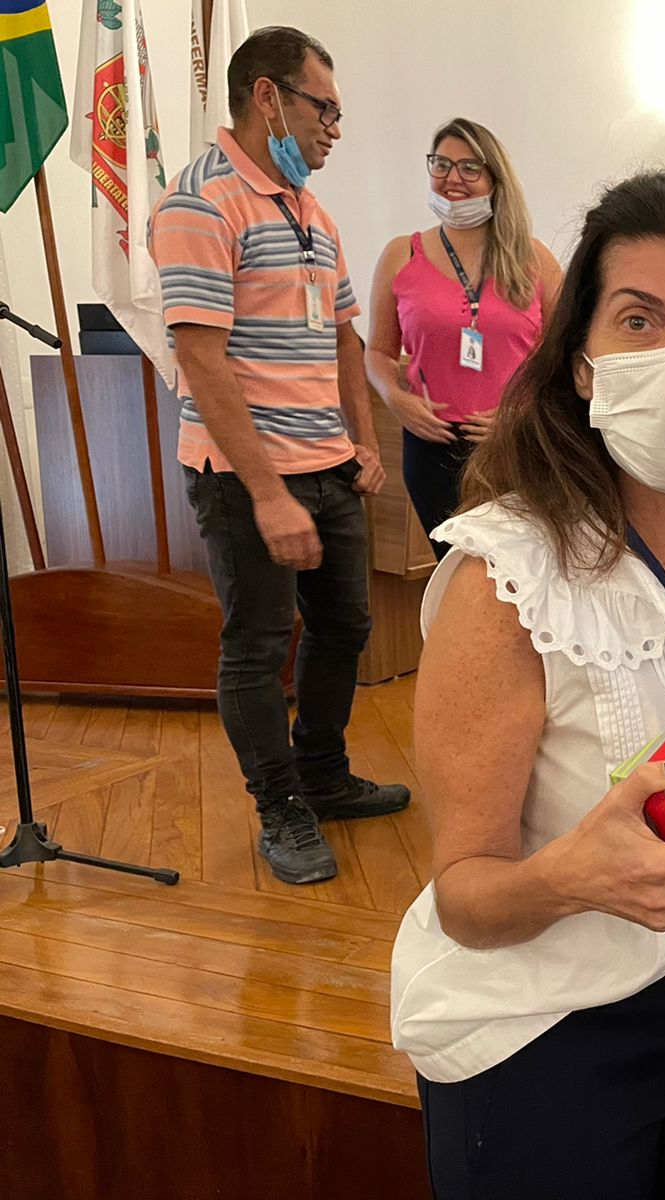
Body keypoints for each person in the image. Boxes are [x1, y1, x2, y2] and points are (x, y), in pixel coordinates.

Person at [390, 172, 665, 1200]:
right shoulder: (509, 574)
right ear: (582, 365)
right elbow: (466, 899)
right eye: (639, 320)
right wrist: (573, 877)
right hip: (551, 1022)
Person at [151, 26, 410, 887]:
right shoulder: (200, 202)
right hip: (244, 479)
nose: (334, 129)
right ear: (268, 97)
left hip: (328, 467)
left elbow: (343, 337)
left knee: (346, 628)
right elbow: (201, 358)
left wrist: (362, 441)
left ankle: (323, 775)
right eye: (323, 109)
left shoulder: (311, 212)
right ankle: (281, 807)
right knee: (257, 647)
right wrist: (268, 494)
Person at [365, 117, 562, 559]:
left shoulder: (535, 259)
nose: (452, 178)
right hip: (431, 444)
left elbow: (563, 356)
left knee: (518, 575)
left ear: (495, 178)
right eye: (441, 164)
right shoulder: (402, 253)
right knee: (453, 574)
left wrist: (522, 414)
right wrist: (396, 399)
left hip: (513, 445)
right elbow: (377, 352)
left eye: (470, 167)